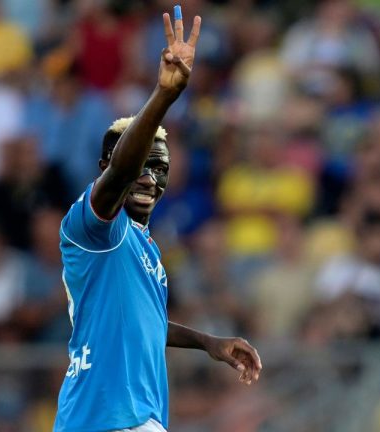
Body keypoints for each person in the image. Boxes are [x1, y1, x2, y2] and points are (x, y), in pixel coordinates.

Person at [54, 8, 262, 432]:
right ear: (105, 166)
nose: (149, 177)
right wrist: (165, 95)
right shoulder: (94, 229)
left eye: (161, 168)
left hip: (130, 418)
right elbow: (120, 174)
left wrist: (207, 343)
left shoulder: (141, 243)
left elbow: (141, 317)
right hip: (106, 418)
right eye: (141, 165)